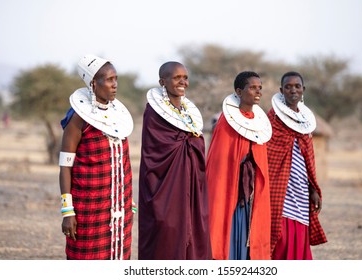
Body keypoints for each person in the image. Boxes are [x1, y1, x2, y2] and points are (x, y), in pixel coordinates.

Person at [59, 54, 136, 260]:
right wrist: (68, 211)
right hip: (88, 210)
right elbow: (65, 166)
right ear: (94, 83)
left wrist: (131, 205)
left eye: (116, 79)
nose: (115, 85)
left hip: (119, 210)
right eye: (109, 80)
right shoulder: (78, 119)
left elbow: (125, 165)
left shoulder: (118, 118)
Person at [138, 61, 212, 260]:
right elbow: (156, 151)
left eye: (185, 77)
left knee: (195, 232)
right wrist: (187, 142)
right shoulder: (154, 112)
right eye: (177, 77)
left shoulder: (188, 114)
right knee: (168, 233)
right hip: (166, 187)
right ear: (162, 81)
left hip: (191, 186)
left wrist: (192, 142)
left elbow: (196, 145)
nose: (183, 82)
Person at [206, 71, 272, 260]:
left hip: (249, 195)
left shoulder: (260, 125)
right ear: (239, 91)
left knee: (247, 236)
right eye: (252, 88)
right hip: (228, 191)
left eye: (260, 88)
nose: (258, 92)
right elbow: (220, 164)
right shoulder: (226, 122)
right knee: (226, 232)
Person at [267, 71, 327, 260]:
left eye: (297, 86)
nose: (293, 90)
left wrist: (313, 189)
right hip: (278, 187)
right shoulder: (272, 118)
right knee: (280, 234)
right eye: (288, 86)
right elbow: (267, 154)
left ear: (303, 90)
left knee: (300, 232)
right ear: (281, 90)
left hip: (301, 189)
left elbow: (309, 158)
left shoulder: (307, 122)